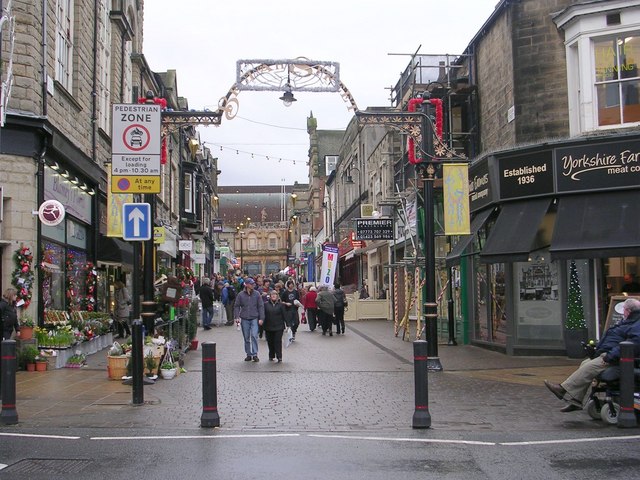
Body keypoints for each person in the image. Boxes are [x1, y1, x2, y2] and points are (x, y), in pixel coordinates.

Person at [544, 297, 640, 412]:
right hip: (609, 353)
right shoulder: (629, 321)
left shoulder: (636, 324)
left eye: (623, 309)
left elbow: (633, 344)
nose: (622, 312)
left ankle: (563, 389)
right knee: (585, 363)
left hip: (617, 357)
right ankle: (576, 400)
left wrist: (610, 356)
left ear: (628, 311)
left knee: (591, 366)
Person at [233, 277, 265, 362]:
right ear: (246, 285)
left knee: (254, 335)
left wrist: (261, 318)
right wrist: (237, 317)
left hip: (254, 317)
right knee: (246, 338)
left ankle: (255, 354)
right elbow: (236, 306)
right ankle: (248, 354)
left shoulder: (257, 294)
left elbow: (261, 306)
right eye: (251, 284)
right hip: (244, 318)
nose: (253, 285)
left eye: (253, 284)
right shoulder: (241, 295)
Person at [263, 290, 287, 362]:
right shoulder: (266, 305)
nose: (273, 296)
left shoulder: (281, 305)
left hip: (279, 326)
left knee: (277, 341)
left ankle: (279, 356)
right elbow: (263, 315)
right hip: (268, 326)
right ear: (269, 296)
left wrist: (288, 324)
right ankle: (271, 355)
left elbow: (284, 315)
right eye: (272, 295)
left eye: (275, 294)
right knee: (270, 341)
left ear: (277, 296)